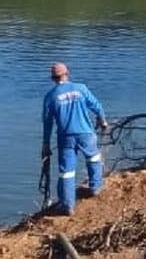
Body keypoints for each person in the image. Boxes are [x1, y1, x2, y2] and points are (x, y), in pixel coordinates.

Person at [41, 62, 109, 215]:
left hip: (65, 137)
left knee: (67, 172)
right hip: (86, 133)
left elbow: (47, 122)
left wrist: (45, 143)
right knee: (93, 159)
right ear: (67, 73)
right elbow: (97, 106)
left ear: (53, 78)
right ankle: (96, 187)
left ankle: (68, 205)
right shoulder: (81, 88)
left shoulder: (50, 96)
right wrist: (102, 120)